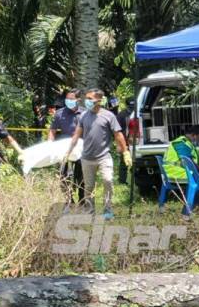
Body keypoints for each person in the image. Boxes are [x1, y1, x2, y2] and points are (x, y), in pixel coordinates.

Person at [66, 89, 131, 220]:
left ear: (99, 100)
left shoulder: (109, 116)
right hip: (87, 158)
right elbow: (76, 135)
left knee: (108, 180)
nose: (87, 101)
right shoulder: (84, 116)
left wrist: (125, 152)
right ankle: (90, 211)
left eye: (90, 98)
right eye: (87, 98)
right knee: (88, 187)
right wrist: (68, 151)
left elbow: (118, 135)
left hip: (104, 157)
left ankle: (108, 210)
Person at [48, 89, 84, 210]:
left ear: (78, 100)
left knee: (82, 177)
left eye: (71, 99)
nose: (68, 101)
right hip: (63, 148)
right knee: (62, 176)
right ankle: (69, 200)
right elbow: (52, 131)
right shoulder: (59, 113)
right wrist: (50, 145)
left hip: (81, 149)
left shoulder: (85, 113)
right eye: (67, 99)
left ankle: (82, 200)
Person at [116, 98, 135, 184]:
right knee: (123, 162)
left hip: (136, 141)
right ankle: (122, 180)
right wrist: (119, 144)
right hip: (124, 141)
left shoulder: (138, 113)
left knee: (136, 162)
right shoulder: (121, 115)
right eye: (130, 107)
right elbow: (116, 131)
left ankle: (135, 180)